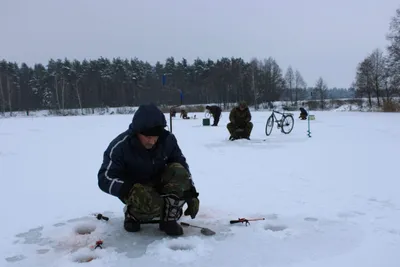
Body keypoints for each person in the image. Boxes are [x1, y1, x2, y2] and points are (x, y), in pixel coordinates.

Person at [97, 103, 200, 236]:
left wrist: (191, 193)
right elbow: (104, 177)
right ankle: (133, 215)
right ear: (137, 132)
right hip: (136, 189)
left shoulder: (168, 140)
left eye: (155, 136)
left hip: (159, 183)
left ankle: (168, 219)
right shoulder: (120, 146)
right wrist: (129, 189)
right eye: (147, 136)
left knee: (177, 170)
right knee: (151, 205)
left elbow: (182, 166)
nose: (152, 141)